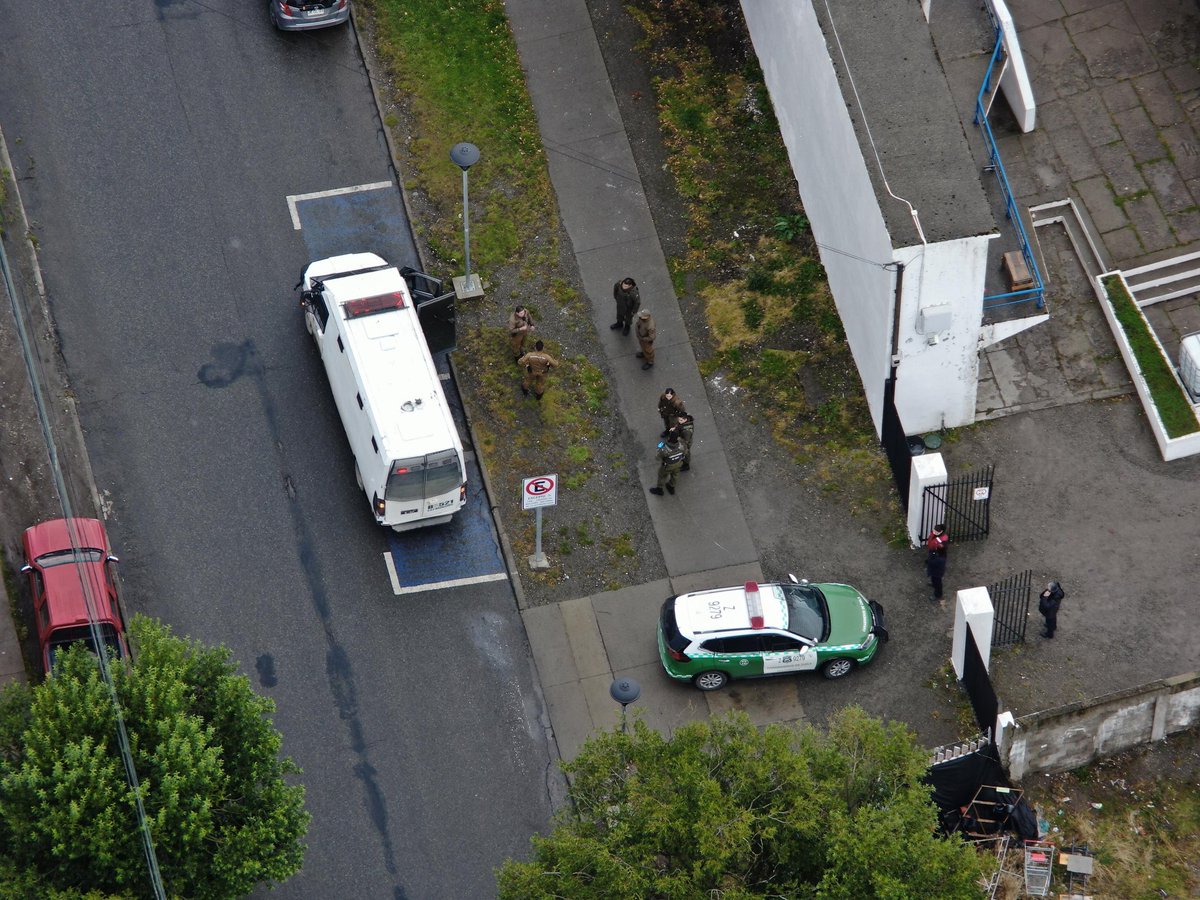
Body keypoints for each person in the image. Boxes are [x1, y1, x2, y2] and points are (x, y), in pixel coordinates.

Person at [649, 430, 686, 496]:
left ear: (669, 438)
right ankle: (671, 487)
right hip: (678, 463)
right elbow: (685, 452)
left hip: (667, 466)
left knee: (662, 476)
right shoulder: (681, 446)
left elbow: (657, 458)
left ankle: (659, 489)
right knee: (675, 475)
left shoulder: (664, 449)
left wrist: (659, 448)